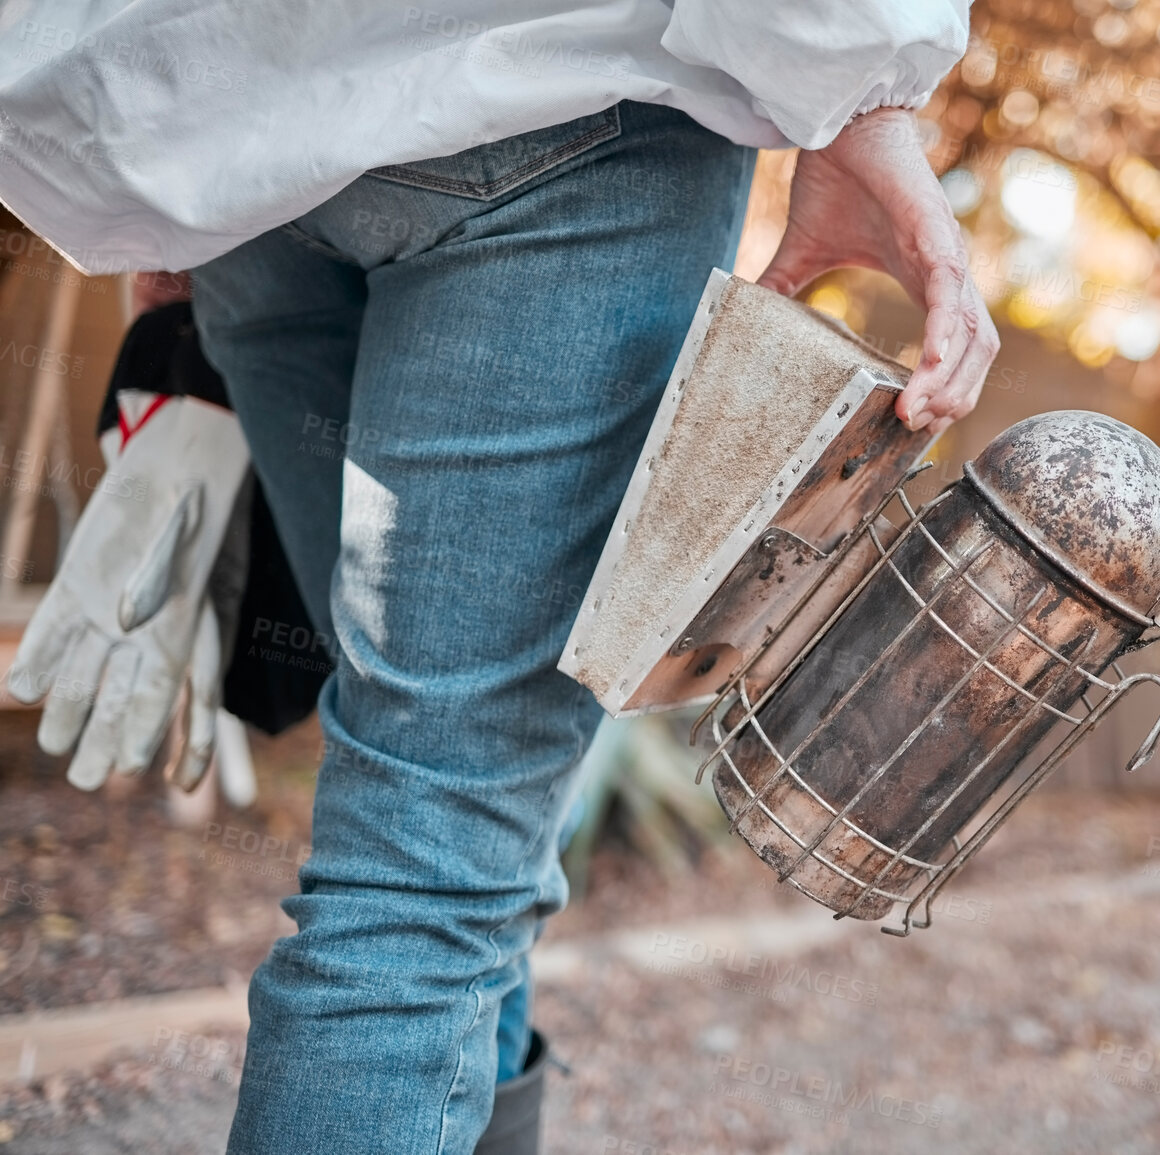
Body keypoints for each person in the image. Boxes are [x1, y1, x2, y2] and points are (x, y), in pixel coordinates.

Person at [0, 2, 1000, 1151]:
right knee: (428, 863)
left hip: (247, 144)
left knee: (450, 826)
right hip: (565, 118)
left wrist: (156, 192)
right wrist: (858, 98)